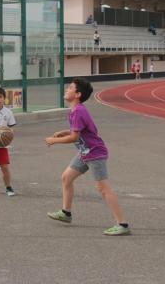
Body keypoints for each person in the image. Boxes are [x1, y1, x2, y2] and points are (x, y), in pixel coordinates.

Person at [45, 78, 130, 235]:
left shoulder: (78, 111)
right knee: (66, 177)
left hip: (95, 153)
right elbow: (79, 131)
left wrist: (54, 140)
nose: (66, 89)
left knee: (103, 188)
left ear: (77, 94)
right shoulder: (77, 110)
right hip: (85, 152)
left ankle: (122, 224)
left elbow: (74, 138)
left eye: (70, 88)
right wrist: (65, 131)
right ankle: (66, 213)